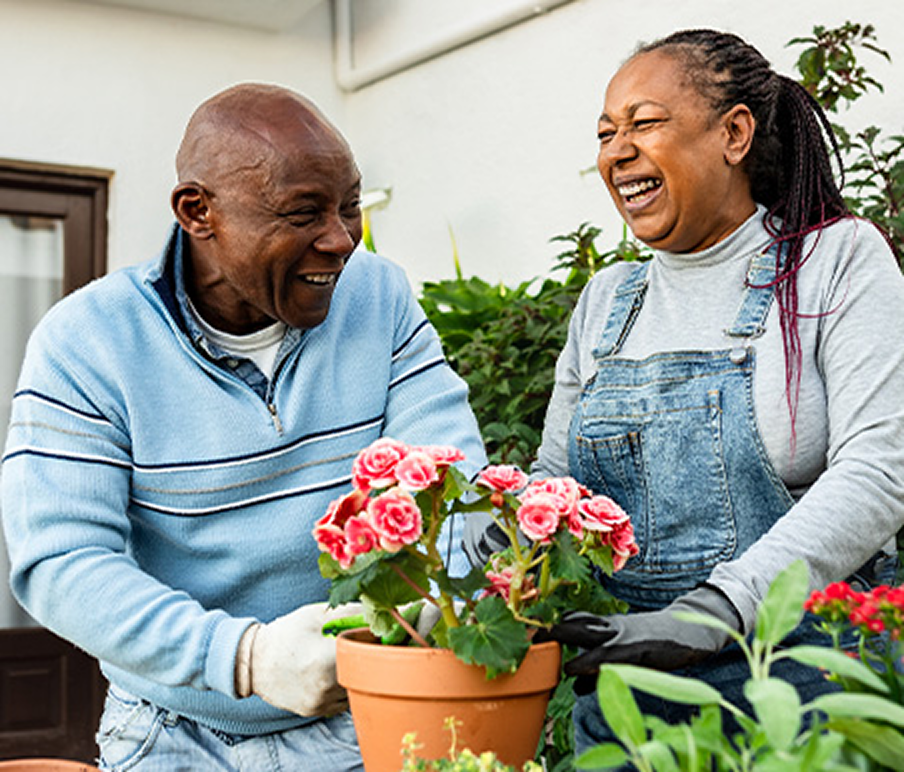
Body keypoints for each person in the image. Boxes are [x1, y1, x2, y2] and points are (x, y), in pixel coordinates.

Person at [1, 83, 486, 771]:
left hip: (358, 714)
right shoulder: (88, 342)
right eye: (303, 213)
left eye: (349, 206)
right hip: (171, 730)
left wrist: (447, 596)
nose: (341, 239)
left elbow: (449, 481)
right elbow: (62, 562)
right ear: (198, 212)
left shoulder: (379, 298)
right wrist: (246, 659)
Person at [502, 29, 904, 754]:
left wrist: (720, 608)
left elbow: (880, 470)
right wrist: (499, 526)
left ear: (735, 133)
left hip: (807, 688)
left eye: (644, 123)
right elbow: (556, 484)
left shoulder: (835, 261)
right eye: (604, 133)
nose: (616, 150)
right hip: (629, 704)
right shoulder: (606, 300)